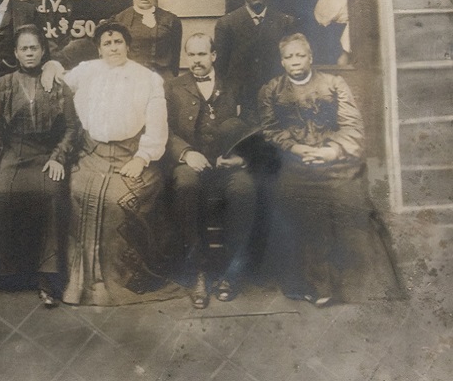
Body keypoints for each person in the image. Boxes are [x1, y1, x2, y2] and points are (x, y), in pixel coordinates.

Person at [259, 34, 400, 307]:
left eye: (300, 55)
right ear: (282, 61)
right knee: (295, 201)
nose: (295, 61)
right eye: (288, 57)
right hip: (296, 162)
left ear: (311, 57)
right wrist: (297, 149)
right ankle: (316, 284)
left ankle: (359, 283)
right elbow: (271, 130)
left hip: (336, 161)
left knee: (351, 200)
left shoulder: (334, 84)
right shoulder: (271, 90)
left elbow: (352, 126)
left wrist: (330, 151)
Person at [61, 22, 177, 306]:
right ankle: (80, 282)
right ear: (99, 49)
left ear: (128, 45)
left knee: (118, 199)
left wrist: (142, 157)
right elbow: (59, 77)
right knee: (77, 190)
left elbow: (157, 127)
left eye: (118, 42)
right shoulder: (87, 71)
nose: (113, 48)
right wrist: (52, 66)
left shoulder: (147, 78)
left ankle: (123, 278)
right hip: (93, 154)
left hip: (133, 155)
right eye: (107, 43)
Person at [0, 25, 80, 307]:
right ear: (15, 53)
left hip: (45, 153)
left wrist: (58, 156)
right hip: (13, 153)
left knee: (51, 193)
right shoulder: (4, 84)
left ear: (43, 50)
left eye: (34, 48)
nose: (29, 53)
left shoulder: (58, 85)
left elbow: (72, 128)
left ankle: (46, 276)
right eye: (23, 48)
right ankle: (8, 272)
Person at [165, 33, 256, 309]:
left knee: (244, 190)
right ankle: (199, 271)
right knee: (185, 187)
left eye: (202, 55)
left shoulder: (233, 85)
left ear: (213, 56)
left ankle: (230, 269)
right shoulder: (173, 87)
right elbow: (163, 130)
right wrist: (185, 153)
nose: (196, 61)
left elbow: (253, 125)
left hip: (227, 165)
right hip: (190, 163)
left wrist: (241, 158)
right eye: (191, 55)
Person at [53, 0, 182, 78]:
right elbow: (95, 43)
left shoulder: (171, 21)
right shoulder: (119, 20)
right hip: (130, 78)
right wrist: (56, 62)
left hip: (163, 80)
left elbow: (175, 60)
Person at [213, 0, 297, 121]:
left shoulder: (285, 22)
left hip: (278, 98)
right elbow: (220, 69)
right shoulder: (227, 24)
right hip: (242, 102)